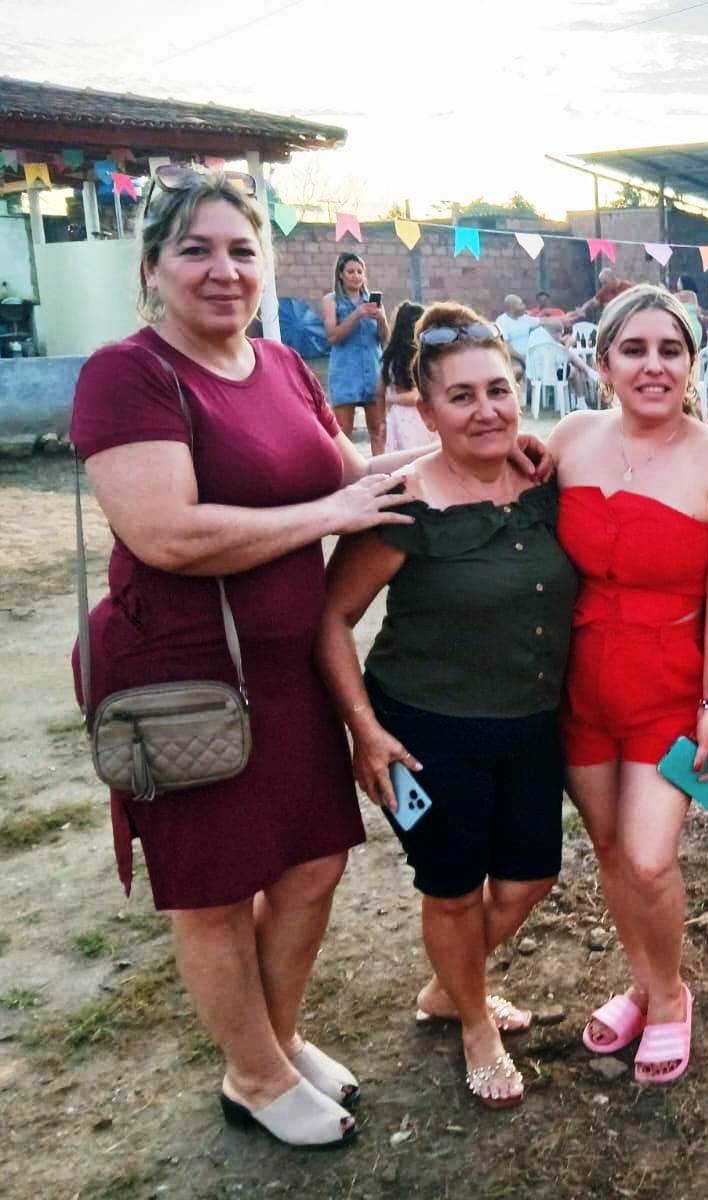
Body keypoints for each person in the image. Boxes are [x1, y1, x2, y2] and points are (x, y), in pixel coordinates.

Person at [69, 166, 429, 1150]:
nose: (223, 271)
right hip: (183, 673)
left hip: (286, 666)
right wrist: (328, 515)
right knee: (217, 887)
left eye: (241, 250)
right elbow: (166, 533)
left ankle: (274, 1039)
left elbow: (352, 477)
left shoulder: (279, 366)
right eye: (196, 250)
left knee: (313, 862)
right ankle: (256, 1074)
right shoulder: (129, 374)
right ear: (152, 269)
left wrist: (479, 449)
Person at [315, 303, 575, 1112]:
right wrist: (364, 730)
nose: (485, 410)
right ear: (426, 413)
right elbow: (331, 620)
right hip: (426, 730)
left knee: (530, 877)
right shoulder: (404, 505)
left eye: (498, 390)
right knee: (454, 888)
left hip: (531, 721)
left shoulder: (543, 483)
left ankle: (447, 984)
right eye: (460, 397)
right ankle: (472, 1021)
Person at [548, 284, 708, 1084]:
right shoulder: (570, 438)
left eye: (671, 350)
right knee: (606, 847)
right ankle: (639, 982)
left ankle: (671, 997)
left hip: (669, 685)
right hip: (577, 684)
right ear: (603, 362)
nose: (653, 366)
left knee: (646, 857)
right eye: (634, 350)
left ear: (692, 362)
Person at [322, 251, 388, 455]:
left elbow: (384, 338)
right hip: (345, 373)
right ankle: (348, 472)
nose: (356, 276)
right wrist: (356, 314)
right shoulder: (331, 300)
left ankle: (381, 471)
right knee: (343, 432)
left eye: (360, 271)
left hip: (373, 370)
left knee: (378, 430)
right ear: (340, 274)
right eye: (350, 271)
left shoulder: (373, 301)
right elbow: (333, 336)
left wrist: (381, 319)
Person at [380, 301, 432, 452]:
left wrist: (385, 413)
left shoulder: (389, 359)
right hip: (420, 419)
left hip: (397, 418)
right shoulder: (422, 358)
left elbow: (379, 391)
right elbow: (418, 395)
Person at [565, 267, 633, 325]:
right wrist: (583, 309)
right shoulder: (604, 290)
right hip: (611, 322)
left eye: (605, 282)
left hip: (627, 320)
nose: (603, 286)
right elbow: (593, 302)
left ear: (613, 278)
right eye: (602, 283)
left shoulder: (629, 287)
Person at [494, 293, 540, 379]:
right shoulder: (502, 321)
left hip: (531, 356)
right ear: (512, 308)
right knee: (517, 370)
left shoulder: (524, 318)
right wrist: (522, 357)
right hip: (514, 357)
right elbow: (506, 346)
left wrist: (563, 319)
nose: (524, 306)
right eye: (521, 304)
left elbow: (543, 321)